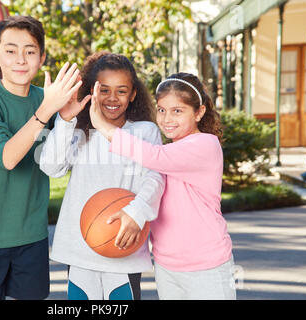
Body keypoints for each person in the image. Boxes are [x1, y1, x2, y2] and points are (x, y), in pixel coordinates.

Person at [0, 16, 83, 300]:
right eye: (10, 51)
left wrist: (65, 118)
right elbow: (7, 157)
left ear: (42, 57)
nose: (20, 59)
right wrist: (45, 112)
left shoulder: (50, 100)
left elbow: (63, 161)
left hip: (32, 238)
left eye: (30, 50)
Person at [90, 72, 236, 300]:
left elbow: (153, 155)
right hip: (167, 265)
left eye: (177, 111)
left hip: (207, 265)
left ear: (199, 112)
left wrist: (103, 126)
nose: (167, 118)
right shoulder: (170, 150)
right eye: (161, 109)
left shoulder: (205, 145)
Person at [40, 52, 165, 300]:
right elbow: (51, 167)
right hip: (80, 249)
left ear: (133, 94)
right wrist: (65, 120)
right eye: (104, 89)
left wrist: (136, 212)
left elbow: (156, 178)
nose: (112, 98)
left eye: (121, 90)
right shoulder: (78, 130)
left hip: (122, 245)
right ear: (92, 91)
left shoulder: (144, 131)